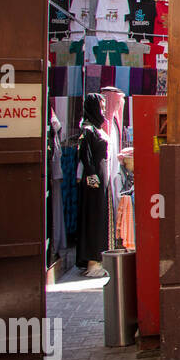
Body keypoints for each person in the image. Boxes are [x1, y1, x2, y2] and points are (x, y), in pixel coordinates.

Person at [75, 93, 111, 276]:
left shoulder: (97, 129)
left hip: (101, 178)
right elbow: (84, 155)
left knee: (101, 216)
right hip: (94, 181)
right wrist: (91, 175)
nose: (103, 111)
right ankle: (92, 259)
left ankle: (99, 256)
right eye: (101, 107)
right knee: (94, 218)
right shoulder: (87, 130)